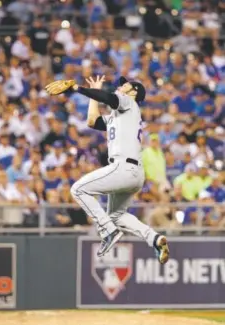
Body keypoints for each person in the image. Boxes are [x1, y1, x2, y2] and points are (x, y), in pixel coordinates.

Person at [45, 75, 169, 264]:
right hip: (133, 173)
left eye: (125, 84)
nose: (121, 86)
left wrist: (77, 88)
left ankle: (107, 231)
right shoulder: (119, 115)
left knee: (78, 189)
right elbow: (92, 121)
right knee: (117, 215)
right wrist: (93, 94)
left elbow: (109, 98)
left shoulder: (129, 103)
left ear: (134, 92)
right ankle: (153, 238)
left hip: (123, 167)